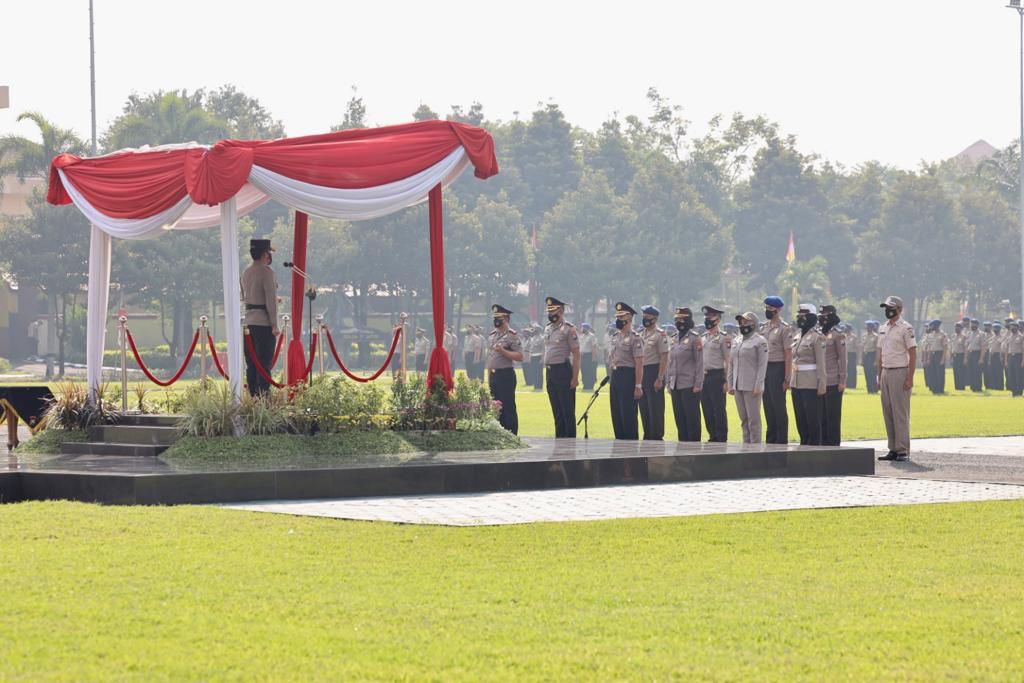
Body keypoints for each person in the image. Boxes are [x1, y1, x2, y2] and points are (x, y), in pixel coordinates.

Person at [876, 295, 917, 462]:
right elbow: (880, 353)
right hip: (885, 371)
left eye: (891, 308)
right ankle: (892, 448)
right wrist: (879, 375)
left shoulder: (906, 328)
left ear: (899, 309)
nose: (888, 311)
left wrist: (910, 378)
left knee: (900, 412)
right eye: (886, 308)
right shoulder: (883, 328)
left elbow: (913, 354)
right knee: (888, 412)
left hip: (900, 371)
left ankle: (902, 449)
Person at [241, 238, 280, 396]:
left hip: (248, 322)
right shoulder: (266, 272)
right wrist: (274, 325)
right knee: (264, 364)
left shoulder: (246, 272)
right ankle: (263, 399)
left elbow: (245, 297)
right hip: (263, 322)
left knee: (251, 364)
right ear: (265, 253)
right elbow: (270, 300)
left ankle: (252, 397)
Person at [728, 312, 769, 443]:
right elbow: (731, 363)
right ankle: (746, 445)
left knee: (754, 419)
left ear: (754, 323)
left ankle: (755, 447)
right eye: (741, 322)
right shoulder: (737, 340)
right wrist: (730, 383)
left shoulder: (760, 341)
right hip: (738, 384)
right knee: (743, 418)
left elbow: (762, 365)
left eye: (746, 322)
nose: (743, 324)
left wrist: (758, 385)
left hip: (751, 385)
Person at [543, 297, 580, 438]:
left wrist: (575, 377)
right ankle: (559, 441)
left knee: (567, 411)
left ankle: (570, 443)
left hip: (563, 371)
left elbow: (576, 354)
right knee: (557, 411)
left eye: (554, 311)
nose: (551, 314)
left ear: (561, 311)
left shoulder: (569, 329)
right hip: (550, 372)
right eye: (549, 311)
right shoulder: (548, 328)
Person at [790, 303, 827, 446]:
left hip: (811, 382)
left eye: (803, 316)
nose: (800, 318)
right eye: (799, 315)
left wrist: (821, 384)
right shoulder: (798, 336)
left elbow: (821, 363)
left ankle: (814, 446)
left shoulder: (818, 337)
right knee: (800, 417)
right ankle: (804, 443)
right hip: (796, 382)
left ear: (811, 317)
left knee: (812, 418)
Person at [607, 302, 644, 440]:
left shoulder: (635, 338)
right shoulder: (615, 337)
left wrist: (638, 385)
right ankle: (619, 444)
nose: (618, 319)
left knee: (627, 414)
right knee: (616, 413)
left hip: (628, 376)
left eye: (621, 316)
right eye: (617, 316)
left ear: (629, 318)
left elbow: (639, 363)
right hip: (616, 375)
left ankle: (630, 448)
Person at [759, 295, 792, 444]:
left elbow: (788, 354)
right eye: (766, 307)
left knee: (778, 406)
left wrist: (787, 378)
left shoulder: (784, 328)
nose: (768, 310)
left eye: (770, 308)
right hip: (765, 368)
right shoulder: (763, 328)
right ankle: (771, 440)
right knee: (768, 406)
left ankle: (781, 439)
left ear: (778, 310)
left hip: (777, 367)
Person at [667, 307, 703, 441]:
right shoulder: (674, 338)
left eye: (682, 319)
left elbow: (700, 362)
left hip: (689, 384)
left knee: (691, 419)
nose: (679, 322)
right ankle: (682, 449)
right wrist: (668, 382)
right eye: (677, 319)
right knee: (679, 419)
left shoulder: (694, 338)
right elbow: (671, 362)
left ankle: (693, 450)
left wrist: (698, 384)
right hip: (675, 384)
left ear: (688, 320)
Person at [486, 305, 523, 434]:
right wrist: (489, 377)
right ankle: (500, 434)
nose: (496, 320)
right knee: (496, 408)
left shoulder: (512, 335)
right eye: (495, 317)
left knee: (508, 407)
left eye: (499, 317)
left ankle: (512, 434)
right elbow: (490, 358)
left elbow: (520, 356)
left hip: (505, 375)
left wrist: (503, 351)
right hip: (494, 376)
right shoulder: (492, 335)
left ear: (506, 318)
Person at [700, 304, 731, 442]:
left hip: (717, 376)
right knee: (707, 408)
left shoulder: (723, 338)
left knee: (718, 409)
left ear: (718, 319)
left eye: (710, 316)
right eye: (706, 316)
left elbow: (728, 360)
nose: (707, 319)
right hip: (704, 377)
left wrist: (726, 381)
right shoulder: (703, 337)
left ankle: (721, 437)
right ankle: (712, 435)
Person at [638, 306, 669, 440]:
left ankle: (656, 435)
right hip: (643, 372)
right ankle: (647, 434)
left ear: (654, 318)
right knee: (644, 407)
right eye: (643, 316)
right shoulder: (641, 334)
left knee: (655, 407)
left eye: (647, 317)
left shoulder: (660, 334)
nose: (645, 319)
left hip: (654, 371)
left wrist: (660, 377)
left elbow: (664, 357)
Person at [818, 304, 847, 446]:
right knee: (821, 414)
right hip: (820, 381)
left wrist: (842, 380)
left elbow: (842, 358)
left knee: (832, 415)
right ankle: (823, 442)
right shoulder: (819, 334)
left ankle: (833, 444)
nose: (822, 318)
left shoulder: (838, 335)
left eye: (825, 315)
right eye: (821, 315)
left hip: (833, 380)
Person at [922, 320, 949, 394]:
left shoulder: (943, 335)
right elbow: (930, 347)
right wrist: (928, 358)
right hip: (932, 354)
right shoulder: (931, 335)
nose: (931, 327)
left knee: (940, 372)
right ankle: (934, 388)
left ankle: (940, 389)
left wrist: (943, 359)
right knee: (932, 372)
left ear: (937, 326)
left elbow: (945, 348)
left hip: (939, 354)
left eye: (932, 326)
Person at [578, 322, 599, 391]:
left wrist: (594, 357)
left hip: (589, 355)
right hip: (582, 355)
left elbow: (593, 347)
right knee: (583, 370)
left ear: (586, 328)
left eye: (583, 327)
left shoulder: (591, 336)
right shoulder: (581, 336)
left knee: (589, 371)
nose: (582, 329)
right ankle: (585, 384)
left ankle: (589, 385)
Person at [862, 320, 880, 394]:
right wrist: (862, 358)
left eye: (868, 327)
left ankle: (874, 389)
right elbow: (863, 347)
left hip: (872, 355)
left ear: (871, 327)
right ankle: (869, 389)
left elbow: (877, 349)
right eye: (866, 327)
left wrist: (876, 360)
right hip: (866, 355)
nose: (867, 328)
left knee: (872, 373)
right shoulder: (864, 336)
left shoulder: (876, 336)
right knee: (867, 372)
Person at [967, 319, 984, 392]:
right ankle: (973, 386)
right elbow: (968, 345)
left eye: (973, 324)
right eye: (971, 324)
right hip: (970, 353)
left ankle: (978, 387)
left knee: (977, 371)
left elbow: (983, 347)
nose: (971, 326)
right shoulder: (970, 334)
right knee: (971, 371)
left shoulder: (981, 334)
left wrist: (981, 358)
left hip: (977, 353)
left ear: (977, 325)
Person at [1006, 320, 1023, 397]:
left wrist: (1023, 361)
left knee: (1018, 375)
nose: (1012, 328)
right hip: (1010, 357)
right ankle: (1014, 392)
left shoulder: (1021, 337)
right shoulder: (1009, 337)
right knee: (1011, 375)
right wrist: (1006, 360)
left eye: (1014, 327)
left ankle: (1019, 391)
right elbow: (1007, 349)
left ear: (1017, 328)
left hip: (1018, 357)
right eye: (1011, 327)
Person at [988, 323, 1005, 391]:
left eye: (996, 329)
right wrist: (989, 359)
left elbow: (1002, 348)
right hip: (992, 355)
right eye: (994, 328)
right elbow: (990, 349)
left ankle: (1000, 386)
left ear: (999, 329)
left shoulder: (1002, 337)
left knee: (999, 372)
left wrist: (1001, 356)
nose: (995, 330)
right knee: (993, 371)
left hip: (998, 355)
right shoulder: (992, 338)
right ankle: (994, 386)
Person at [843, 323, 860, 389]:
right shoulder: (843, 336)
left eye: (846, 328)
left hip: (852, 355)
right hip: (845, 354)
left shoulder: (854, 337)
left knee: (852, 370)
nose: (845, 329)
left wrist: (858, 358)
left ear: (849, 329)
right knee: (845, 370)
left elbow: (857, 348)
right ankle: (846, 384)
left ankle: (852, 385)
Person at [951, 321, 966, 391]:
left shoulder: (964, 337)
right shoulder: (953, 336)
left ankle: (961, 386)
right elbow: (952, 347)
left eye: (958, 327)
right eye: (956, 327)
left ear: (961, 328)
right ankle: (957, 386)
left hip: (961, 355)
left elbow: (965, 348)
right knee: (955, 371)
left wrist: (965, 358)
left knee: (961, 372)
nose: (956, 328)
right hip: (954, 356)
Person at [529, 323, 545, 391]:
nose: (534, 330)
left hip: (539, 356)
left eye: (535, 329)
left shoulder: (542, 338)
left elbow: (543, 349)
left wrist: (542, 358)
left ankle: (539, 386)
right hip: (533, 356)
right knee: (534, 372)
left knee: (539, 372)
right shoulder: (532, 338)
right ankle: (535, 386)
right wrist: (530, 357)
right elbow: (531, 349)